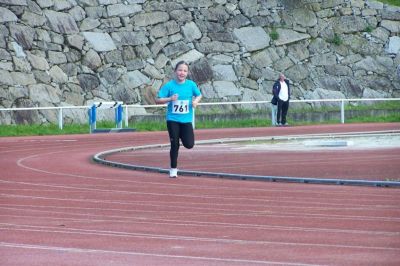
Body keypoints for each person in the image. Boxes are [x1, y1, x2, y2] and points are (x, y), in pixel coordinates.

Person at [155, 61, 202, 178]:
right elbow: (157, 99)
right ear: (175, 71)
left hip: (186, 120)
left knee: (189, 144)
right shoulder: (169, 86)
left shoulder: (191, 85)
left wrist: (195, 101)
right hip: (173, 119)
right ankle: (173, 169)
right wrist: (170, 99)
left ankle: (180, 135)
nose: (182, 73)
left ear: (187, 73)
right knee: (174, 144)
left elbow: (199, 95)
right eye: (180, 70)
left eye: (185, 71)